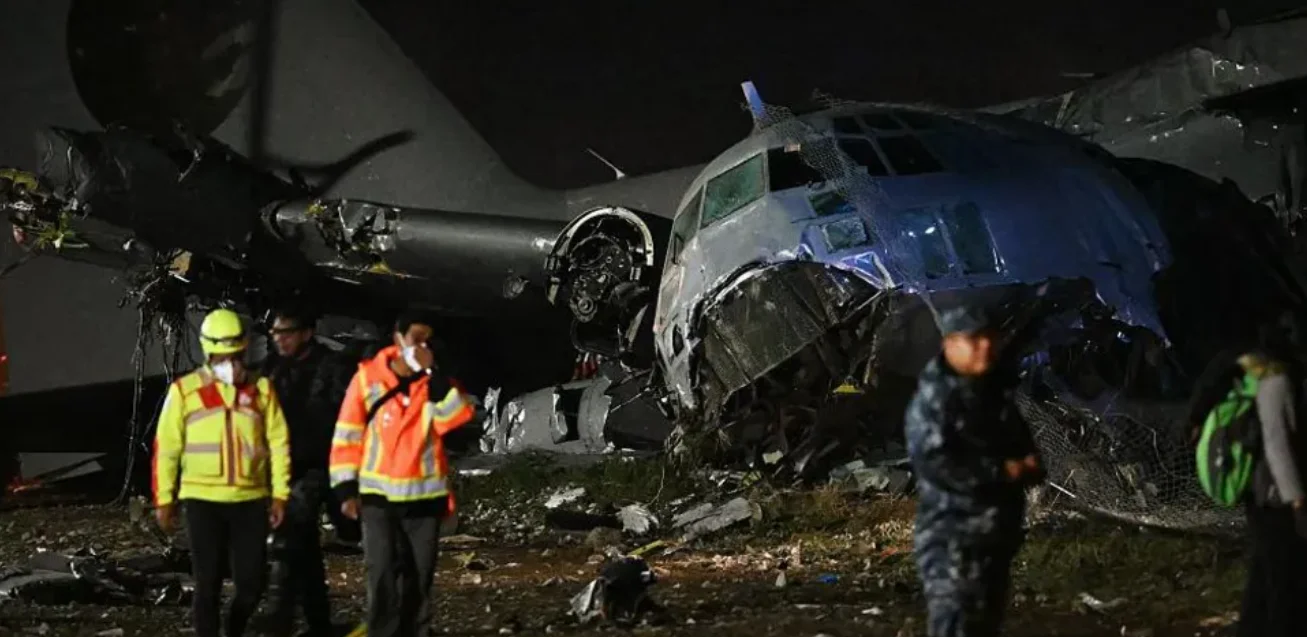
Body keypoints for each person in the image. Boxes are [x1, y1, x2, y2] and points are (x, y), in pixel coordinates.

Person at [329, 312, 476, 637]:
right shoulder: (368, 379)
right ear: (398, 339)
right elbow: (347, 435)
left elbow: (456, 417)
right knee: (381, 573)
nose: (422, 347)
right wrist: (345, 489)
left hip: (424, 498)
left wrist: (436, 377)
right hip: (378, 498)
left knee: (418, 579)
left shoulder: (433, 383)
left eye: (428, 341)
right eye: (416, 339)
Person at [904, 306, 1045, 637]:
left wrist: (1027, 464)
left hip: (992, 535)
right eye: (974, 340)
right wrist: (1003, 471)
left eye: (990, 339)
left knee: (984, 623)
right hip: (954, 538)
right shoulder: (938, 399)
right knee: (957, 623)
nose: (985, 347)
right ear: (950, 344)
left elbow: (1017, 442)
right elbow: (937, 464)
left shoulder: (989, 393)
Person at [153, 308, 291, 637]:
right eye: (223, 356)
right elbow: (167, 448)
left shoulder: (262, 391)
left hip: (249, 500)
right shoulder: (185, 392)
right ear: (209, 352)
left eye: (236, 355)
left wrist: (280, 495)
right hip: (202, 501)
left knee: (252, 584)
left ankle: (234, 630)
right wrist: (165, 500)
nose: (230, 363)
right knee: (207, 584)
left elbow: (279, 444)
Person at [261, 305, 355, 637]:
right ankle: (317, 621)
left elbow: (346, 420)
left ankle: (279, 623)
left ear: (306, 333)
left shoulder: (332, 368)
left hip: (321, 467)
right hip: (285, 468)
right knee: (302, 547)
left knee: (289, 542)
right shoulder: (274, 368)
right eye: (275, 333)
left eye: (286, 333)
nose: (279, 339)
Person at [1235, 312, 1307, 637]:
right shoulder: (1276, 379)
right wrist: (1297, 499)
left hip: (1263, 493)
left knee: (1267, 571)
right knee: (1284, 577)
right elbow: (1277, 443)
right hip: (1275, 497)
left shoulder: (1263, 375)